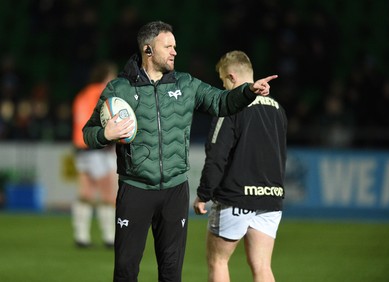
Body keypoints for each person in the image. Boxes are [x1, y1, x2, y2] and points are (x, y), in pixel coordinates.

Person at [82, 21, 277, 282]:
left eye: (175, 46)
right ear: (148, 49)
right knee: (126, 271)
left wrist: (248, 92)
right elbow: (88, 133)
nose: (175, 51)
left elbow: (222, 101)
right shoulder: (119, 89)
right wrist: (105, 134)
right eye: (169, 46)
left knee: (172, 273)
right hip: (135, 190)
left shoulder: (186, 85)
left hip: (175, 191)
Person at [193, 51, 287, 282]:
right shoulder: (277, 108)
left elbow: (217, 155)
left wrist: (203, 194)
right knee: (263, 267)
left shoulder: (230, 106)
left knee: (219, 261)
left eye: (223, 81)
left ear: (232, 77)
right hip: (270, 197)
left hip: (235, 197)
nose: (223, 87)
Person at [72, 61, 118, 248]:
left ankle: (81, 236)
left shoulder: (83, 94)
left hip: (81, 147)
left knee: (86, 193)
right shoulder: (102, 92)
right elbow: (106, 119)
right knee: (108, 194)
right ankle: (110, 237)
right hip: (98, 148)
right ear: (106, 76)